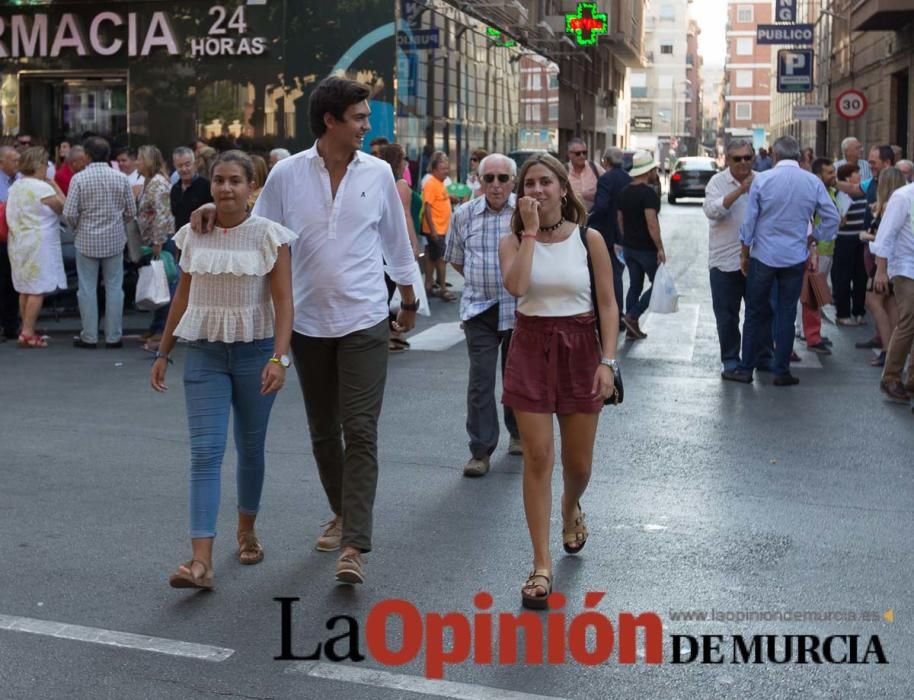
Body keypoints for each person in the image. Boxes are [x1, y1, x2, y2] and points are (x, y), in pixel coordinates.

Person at [192, 76, 420, 585]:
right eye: (359, 118)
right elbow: (258, 232)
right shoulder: (287, 175)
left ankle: (354, 544)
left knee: (360, 429)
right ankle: (343, 511)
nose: (367, 125)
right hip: (308, 323)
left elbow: (395, 239)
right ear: (330, 121)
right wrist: (217, 209)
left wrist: (408, 296)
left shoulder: (378, 172)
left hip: (364, 317)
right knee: (323, 431)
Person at [151, 151, 295, 590]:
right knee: (204, 454)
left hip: (256, 354)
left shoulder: (270, 236)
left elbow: (285, 301)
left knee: (251, 448)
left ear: (253, 188)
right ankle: (200, 562)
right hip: (205, 354)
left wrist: (279, 357)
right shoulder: (195, 233)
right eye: (219, 180)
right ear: (210, 185)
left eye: (235, 180)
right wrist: (163, 350)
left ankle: (246, 528)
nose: (226, 188)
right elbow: (182, 296)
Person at [499, 153, 619, 609]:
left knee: (579, 464)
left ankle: (571, 507)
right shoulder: (513, 240)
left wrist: (607, 361)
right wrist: (530, 232)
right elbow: (516, 287)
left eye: (546, 182)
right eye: (529, 183)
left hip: (579, 347)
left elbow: (608, 305)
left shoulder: (590, 240)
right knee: (537, 456)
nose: (538, 190)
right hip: (530, 346)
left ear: (563, 188)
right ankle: (541, 564)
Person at [722, 136, 839, 385]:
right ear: (797, 156)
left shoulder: (763, 180)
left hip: (764, 255)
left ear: (774, 155)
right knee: (786, 313)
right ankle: (781, 371)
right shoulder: (812, 182)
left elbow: (750, 223)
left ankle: (745, 369)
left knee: (754, 311)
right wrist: (814, 238)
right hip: (795, 257)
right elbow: (832, 217)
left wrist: (744, 254)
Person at [445, 153, 522, 477]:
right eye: (488, 178)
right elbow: (456, 259)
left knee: (517, 378)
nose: (495, 185)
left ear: (512, 182)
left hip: (519, 310)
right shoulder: (464, 215)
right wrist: (482, 282)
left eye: (502, 178)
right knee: (480, 381)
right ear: (478, 180)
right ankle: (480, 450)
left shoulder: (525, 213)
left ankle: (518, 432)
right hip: (480, 310)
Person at [63, 137, 136, 349]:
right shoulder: (120, 178)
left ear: (86, 156)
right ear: (108, 156)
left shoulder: (79, 179)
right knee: (115, 287)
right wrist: (117, 222)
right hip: (114, 240)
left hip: (86, 240)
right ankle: (114, 336)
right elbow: (131, 211)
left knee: (86, 288)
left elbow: (68, 213)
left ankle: (90, 336)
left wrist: (78, 227)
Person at [5, 147, 66, 347]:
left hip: (18, 241)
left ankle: (25, 329)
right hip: (40, 243)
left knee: (24, 287)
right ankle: (28, 331)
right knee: (37, 289)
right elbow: (62, 207)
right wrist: (55, 186)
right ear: (39, 165)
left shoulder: (16, 186)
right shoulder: (42, 188)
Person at [703, 139, 755, 374]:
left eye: (748, 157)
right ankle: (731, 360)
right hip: (724, 262)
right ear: (728, 160)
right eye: (738, 158)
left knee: (758, 313)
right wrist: (740, 191)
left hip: (757, 260)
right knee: (727, 316)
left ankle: (758, 357)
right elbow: (712, 211)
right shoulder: (718, 182)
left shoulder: (762, 180)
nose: (744, 162)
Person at [871, 177, 914, 404]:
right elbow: (885, 235)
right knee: (909, 319)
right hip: (906, 268)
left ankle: (912, 379)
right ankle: (891, 377)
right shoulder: (903, 197)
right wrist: (881, 270)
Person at [861, 168, 908, 369]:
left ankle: (889, 351)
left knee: (873, 301)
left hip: (885, 262)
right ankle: (894, 352)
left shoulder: (892, 204)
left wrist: (866, 236)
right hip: (890, 262)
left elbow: (886, 236)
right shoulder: (894, 203)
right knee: (891, 307)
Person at [617, 150, 666, 341]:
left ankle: (631, 328)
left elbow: (619, 219)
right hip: (646, 249)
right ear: (648, 171)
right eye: (654, 169)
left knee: (635, 286)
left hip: (629, 247)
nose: (655, 173)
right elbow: (652, 223)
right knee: (657, 284)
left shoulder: (624, 192)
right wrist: (660, 247)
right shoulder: (648, 193)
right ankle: (633, 315)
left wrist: (626, 237)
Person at [376, 142, 420, 351]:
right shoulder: (400, 184)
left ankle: (391, 333)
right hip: (391, 244)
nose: (406, 163)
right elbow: (404, 215)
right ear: (397, 161)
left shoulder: (378, 181)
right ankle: (390, 333)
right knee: (389, 289)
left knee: (384, 289)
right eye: (404, 159)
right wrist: (412, 242)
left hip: (379, 244)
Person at [136, 145, 177, 342]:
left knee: (164, 284)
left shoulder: (158, 183)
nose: (138, 162)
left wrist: (158, 240)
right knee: (157, 283)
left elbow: (162, 213)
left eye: (141, 159)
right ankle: (157, 325)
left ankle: (163, 328)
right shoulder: (148, 181)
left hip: (160, 239)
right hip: (152, 239)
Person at [589, 147, 632, 328]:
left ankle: (605, 316)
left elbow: (601, 206)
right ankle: (619, 316)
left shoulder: (605, 179)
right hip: (624, 237)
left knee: (604, 276)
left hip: (606, 236)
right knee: (617, 276)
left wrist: (588, 220)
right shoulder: (629, 179)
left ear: (606, 161)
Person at [799, 158, 839, 355]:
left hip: (821, 248)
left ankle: (810, 333)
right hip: (815, 250)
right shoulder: (813, 192)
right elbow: (811, 221)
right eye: (829, 172)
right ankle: (805, 333)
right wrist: (813, 242)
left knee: (812, 293)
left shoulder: (827, 191)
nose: (834, 176)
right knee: (808, 294)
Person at [832, 163, 869, 326]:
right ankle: (843, 314)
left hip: (861, 240)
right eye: (856, 174)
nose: (859, 176)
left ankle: (859, 312)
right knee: (844, 277)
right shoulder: (842, 194)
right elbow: (841, 220)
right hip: (845, 240)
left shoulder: (863, 192)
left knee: (861, 277)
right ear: (847, 177)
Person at [422, 151, 455, 301]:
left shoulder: (440, 184)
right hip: (435, 229)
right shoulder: (431, 184)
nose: (446, 171)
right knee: (441, 259)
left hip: (442, 228)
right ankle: (443, 289)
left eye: (447, 168)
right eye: (443, 169)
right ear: (434, 170)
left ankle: (428, 286)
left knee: (432, 257)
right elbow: (427, 207)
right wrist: (433, 231)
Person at [0, 145, 22, 341]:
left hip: (16, 237)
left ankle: (11, 325)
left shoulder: (21, 178)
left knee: (12, 282)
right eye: (14, 160)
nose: (18, 164)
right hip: (1, 236)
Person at [170, 147, 213, 232]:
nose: (184, 169)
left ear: (195, 164)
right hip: (182, 237)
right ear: (175, 166)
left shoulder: (206, 186)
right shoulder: (175, 188)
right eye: (179, 166)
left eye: (187, 164)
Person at [566, 137, 603, 213]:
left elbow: (608, 186)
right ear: (569, 154)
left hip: (594, 218)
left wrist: (597, 195)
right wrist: (582, 195)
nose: (582, 156)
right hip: (572, 218)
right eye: (578, 153)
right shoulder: (564, 171)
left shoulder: (595, 168)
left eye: (584, 152)